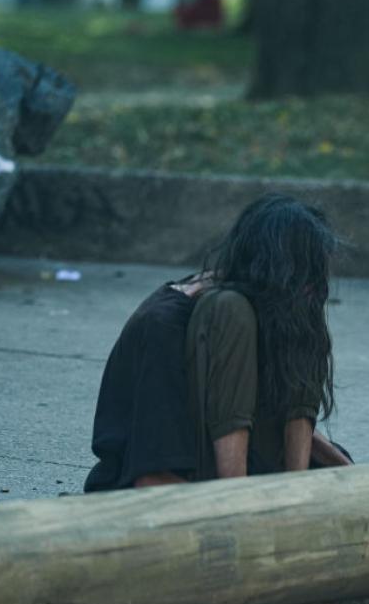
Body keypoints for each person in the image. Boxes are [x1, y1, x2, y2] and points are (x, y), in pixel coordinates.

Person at [85, 194, 352, 492]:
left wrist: (351, 476)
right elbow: (153, 478)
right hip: (167, 481)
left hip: (249, 466)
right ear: (276, 273)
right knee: (232, 310)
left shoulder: (266, 304)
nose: (311, 291)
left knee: (303, 328)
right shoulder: (169, 323)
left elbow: (279, 411)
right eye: (303, 280)